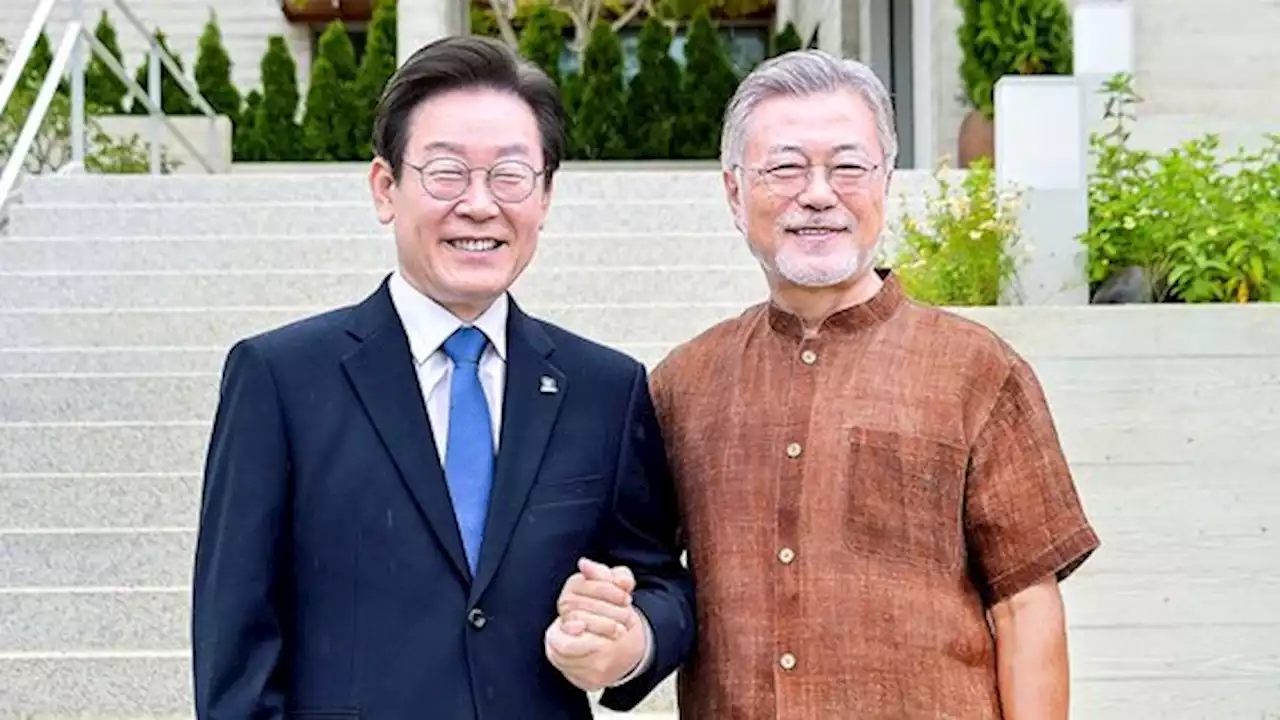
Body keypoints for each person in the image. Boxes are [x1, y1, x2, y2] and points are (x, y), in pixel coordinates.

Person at [190, 35, 694, 720]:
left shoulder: (603, 388)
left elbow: (660, 580)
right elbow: (237, 647)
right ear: (385, 187)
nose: (480, 205)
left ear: (544, 196)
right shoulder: (280, 380)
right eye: (447, 172)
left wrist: (627, 639)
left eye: (511, 176)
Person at [647, 50, 1101, 718]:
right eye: (785, 166)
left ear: (885, 180)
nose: (818, 193)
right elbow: (646, 579)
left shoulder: (977, 370)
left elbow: (1026, 605)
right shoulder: (684, 384)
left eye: (848, 166)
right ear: (734, 192)